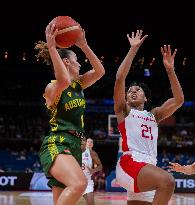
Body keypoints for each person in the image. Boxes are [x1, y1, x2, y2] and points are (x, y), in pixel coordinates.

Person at [36, 19, 105, 205]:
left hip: (75, 145)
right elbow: (64, 80)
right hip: (57, 142)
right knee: (79, 184)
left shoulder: (79, 84)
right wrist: (52, 48)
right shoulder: (52, 87)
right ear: (66, 61)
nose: (81, 64)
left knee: (62, 198)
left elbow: (100, 71)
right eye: (77, 60)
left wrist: (84, 45)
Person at [114, 30, 184, 205]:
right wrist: (133, 49)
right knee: (167, 181)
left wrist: (170, 71)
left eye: (138, 90)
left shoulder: (154, 115)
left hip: (148, 168)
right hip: (130, 163)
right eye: (130, 90)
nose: (133, 91)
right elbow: (120, 77)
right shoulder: (124, 111)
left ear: (146, 98)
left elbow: (178, 100)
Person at [81, 138, 103, 205]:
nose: (89, 143)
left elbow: (100, 166)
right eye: (88, 142)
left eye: (91, 142)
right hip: (76, 181)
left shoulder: (92, 153)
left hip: (87, 181)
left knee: (91, 203)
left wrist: (93, 170)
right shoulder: (74, 151)